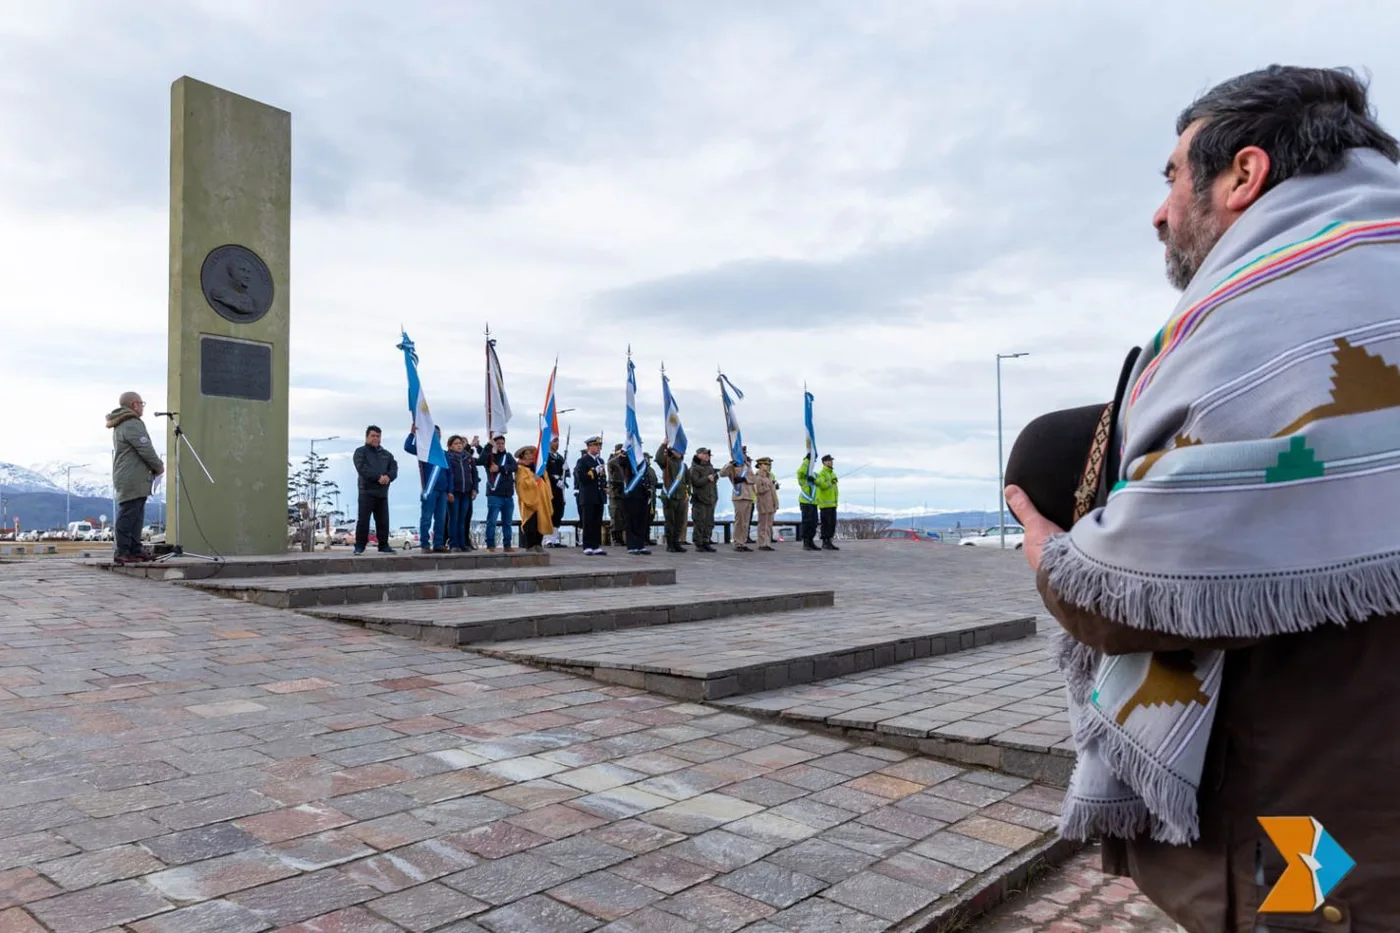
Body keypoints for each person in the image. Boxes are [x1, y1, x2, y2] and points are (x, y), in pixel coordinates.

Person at [1005, 66, 1400, 933]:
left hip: (1318, 834)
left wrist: (1053, 555)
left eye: (1172, 179)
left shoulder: (1278, 317)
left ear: (1244, 175)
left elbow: (1141, 581)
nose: (1159, 212)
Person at [106, 391, 164, 564]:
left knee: (136, 515)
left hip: (132, 475)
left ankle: (134, 550)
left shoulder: (122, 424)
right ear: (134, 405)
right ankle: (123, 551)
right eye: (141, 403)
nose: (142, 407)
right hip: (132, 476)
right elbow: (144, 447)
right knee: (129, 514)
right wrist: (158, 466)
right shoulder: (131, 423)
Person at [404, 424, 449, 553]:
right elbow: (408, 447)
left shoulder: (444, 454)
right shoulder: (424, 451)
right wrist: (412, 434)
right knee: (426, 518)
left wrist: (450, 490)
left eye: (438, 433)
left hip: (443, 491)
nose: (437, 435)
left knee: (441, 519)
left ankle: (438, 544)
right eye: (434, 433)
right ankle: (425, 544)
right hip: (429, 490)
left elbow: (449, 473)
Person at [353, 425, 398, 554]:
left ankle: (383, 545)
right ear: (367, 437)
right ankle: (360, 546)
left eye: (378, 436)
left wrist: (388, 477)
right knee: (363, 520)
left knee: (383, 520)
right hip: (366, 492)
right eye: (373, 436)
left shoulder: (387, 455)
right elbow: (362, 469)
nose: (375, 438)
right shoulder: (360, 452)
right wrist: (377, 477)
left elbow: (394, 469)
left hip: (382, 493)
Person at [481, 433, 517, 552]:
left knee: (507, 522)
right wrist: (487, 446)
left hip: (508, 495)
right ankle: (490, 544)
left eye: (502, 443)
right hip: (494, 494)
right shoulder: (489, 457)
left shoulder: (508, 456)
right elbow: (481, 460)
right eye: (498, 443)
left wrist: (501, 469)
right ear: (494, 444)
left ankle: (507, 545)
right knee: (492, 521)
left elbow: (515, 467)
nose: (501, 445)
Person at [573, 436, 609, 556]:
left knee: (597, 521)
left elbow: (602, 478)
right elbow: (581, 478)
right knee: (588, 522)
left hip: (599, 496)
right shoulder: (583, 461)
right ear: (589, 447)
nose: (598, 448)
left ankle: (596, 545)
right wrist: (594, 472)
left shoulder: (601, 461)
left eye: (599, 446)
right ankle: (587, 545)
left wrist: (605, 487)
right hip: (588, 496)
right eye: (595, 445)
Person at [514, 446, 554, 553]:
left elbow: (545, 480)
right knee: (530, 523)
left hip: (541, 500)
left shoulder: (536, 468)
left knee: (540, 521)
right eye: (528, 454)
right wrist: (533, 480)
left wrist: (541, 474)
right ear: (523, 456)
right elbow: (522, 484)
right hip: (529, 501)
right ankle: (530, 545)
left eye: (532, 453)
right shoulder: (520, 468)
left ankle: (538, 543)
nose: (531, 456)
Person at [445, 434, 479, 552]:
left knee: (462, 519)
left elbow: (474, 473)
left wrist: (475, 489)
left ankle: (462, 543)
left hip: (467, 492)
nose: (459, 446)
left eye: (460, 443)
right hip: (454, 492)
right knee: (454, 518)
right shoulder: (447, 457)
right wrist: (449, 491)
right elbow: (447, 475)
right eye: (456, 444)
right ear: (450, 446)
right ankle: (453, 543)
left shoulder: (468, 457)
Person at [655, 441, 690, 552]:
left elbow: (688, 482)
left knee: (680, 522)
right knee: (670, 522)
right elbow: (658, 457)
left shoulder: (684, 466)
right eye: (676, 450)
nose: (679, 452)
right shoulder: (667, 462)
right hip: (670, 497)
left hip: (681, 497)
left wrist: (687, 494)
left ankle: (676, 542)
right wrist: (663, 444)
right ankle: (670, 544)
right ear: (672, 451)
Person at [619, 451, 654, 555]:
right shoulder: (628, 459)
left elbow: (646, 478)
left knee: (642, 521)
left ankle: (640, 544)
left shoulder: (642, 462)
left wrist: (648, 490)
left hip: (643, 494)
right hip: (632, 493)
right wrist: (624, 451)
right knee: (632, 521)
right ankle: (632, 546)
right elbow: (621, 462)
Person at [721, 449, 756, 552]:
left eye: (745, 453)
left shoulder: (747, 465)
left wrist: (745, 479)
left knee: (746, 522)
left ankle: (743, 542)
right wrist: (730, 464)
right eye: (742, 453)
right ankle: (737, 543)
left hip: (749, 495)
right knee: (739, 521)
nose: (744, 455)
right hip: (739, 495)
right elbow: (722, 473)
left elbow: (754, 479)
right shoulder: (733, 466)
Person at [687, 448, 718, 553]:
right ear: (698, 454)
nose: (707, 456)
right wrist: (707, 478)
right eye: (704, 454)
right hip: (700, 499)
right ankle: (698, 543)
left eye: (708, 454)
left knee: (709, 522)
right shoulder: (694, 468)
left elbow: (713, 484)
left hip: (710, 499)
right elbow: (695, 482)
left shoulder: (710, 467)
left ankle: (706, 541)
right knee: (699, 522)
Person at [544, 437, 568, 547]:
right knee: (549, 513)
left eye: (557, 441)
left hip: (559, 490)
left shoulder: (560, 457)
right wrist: (555, 480)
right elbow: (545, 473)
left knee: (558, 513)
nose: (556, 444)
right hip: (550, 489)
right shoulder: (546, 457)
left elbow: (566, 474)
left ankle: (555, 539)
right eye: (554, 441)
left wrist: (566, 470)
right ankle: (548, 539)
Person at [752, 457, 779, 551]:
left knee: (768, 525)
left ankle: (767, 543)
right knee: (763, 524)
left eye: (768, 464)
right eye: (765, 464)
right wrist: (768, 485)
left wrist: (776, 503)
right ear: (759, 465)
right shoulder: (757, 477)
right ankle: (762, 543)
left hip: (770, 503)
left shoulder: (768, 477)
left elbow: (773, 493)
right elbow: (758, 490)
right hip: (763, 503)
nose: (767, 466)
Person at [797, 453, 820, 552]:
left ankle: (811, 540)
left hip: (814, 502)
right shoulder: (803, 476)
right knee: (807, 522)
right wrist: (807, 460)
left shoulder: (815, 475)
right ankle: (806, 542)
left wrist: (814, 480)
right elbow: (800, 471)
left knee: (814, 523)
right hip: (806, 501)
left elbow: (820, 482)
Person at [814, 454, 839, 550]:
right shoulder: (822, 473)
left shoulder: (832, 473)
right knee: (826, 523)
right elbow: (822, 485)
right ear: (824, 462)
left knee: (832, 524)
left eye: (831, 460)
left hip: (833, 503)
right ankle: (825, 541)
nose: (831, 462)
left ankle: (830, 541)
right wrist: (830, 482)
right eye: (829, 460)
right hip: (825, 503)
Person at [606, 443, 627, 547]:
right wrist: (618, 455)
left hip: (623, 491)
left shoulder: (624, 461)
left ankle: (621, 538)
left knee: (623, 516)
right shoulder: (612, 461)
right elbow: (610, 464)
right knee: (616, 516)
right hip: (615, 492)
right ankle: (615, 538)